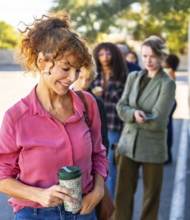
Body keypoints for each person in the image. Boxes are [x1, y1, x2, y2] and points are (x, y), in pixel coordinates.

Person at [0, 11, 108, 220]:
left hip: (83, 212)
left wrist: (98, 191)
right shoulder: (16, 117)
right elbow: (3, 178)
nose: (73, 77)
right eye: (65, 68)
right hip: (35, 214)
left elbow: (98, 154)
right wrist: (40, 195)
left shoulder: (88, 104)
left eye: (77, 69)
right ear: (42, 61)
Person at [114, 36, 176, 220]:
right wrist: (134, 115)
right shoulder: (133, 77)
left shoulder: (168, 84)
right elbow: (121, 107)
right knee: (122, 196)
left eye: (153, 56)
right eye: (145, 56)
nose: (148, 60)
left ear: (161, 56)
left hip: (153, 148)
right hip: (127, 145)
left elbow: (159, 120)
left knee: (150, 199)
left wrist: (133, 114)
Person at [91, 42, 128, 201]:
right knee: (94, 167)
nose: (104, 57)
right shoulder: (93, 75)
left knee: (109, 167)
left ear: (114, 55)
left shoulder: (123, 76)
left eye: (108, 53)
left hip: (114, 126)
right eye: (101, 54)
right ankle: (98, 203)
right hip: (93, 127)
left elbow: (128, 103)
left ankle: (109, 207)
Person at [72, 67, 110, 153]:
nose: (84, 83)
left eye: (88, 79)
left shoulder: (97, 102)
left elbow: (102, 135)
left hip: (89, 153)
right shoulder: (61, 98)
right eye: (80, 77)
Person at [162, 54, 180, 164]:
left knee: (167, 129)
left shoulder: (167, 72)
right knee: (168, 127)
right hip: (170, 102)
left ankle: (167, 154)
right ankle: (167, 154)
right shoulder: (169, 71)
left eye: (164, 59)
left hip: (167, 102)